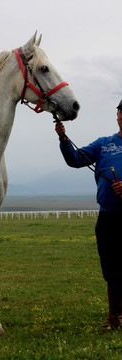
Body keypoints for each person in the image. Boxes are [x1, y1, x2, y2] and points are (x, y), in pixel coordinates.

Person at [55, 100, 122, 330]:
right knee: (111, 268)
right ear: (117, 117)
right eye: (121, 111)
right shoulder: (104, 145)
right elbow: (75, 160)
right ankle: (114, 318)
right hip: (108, 217)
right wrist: (64, 139)